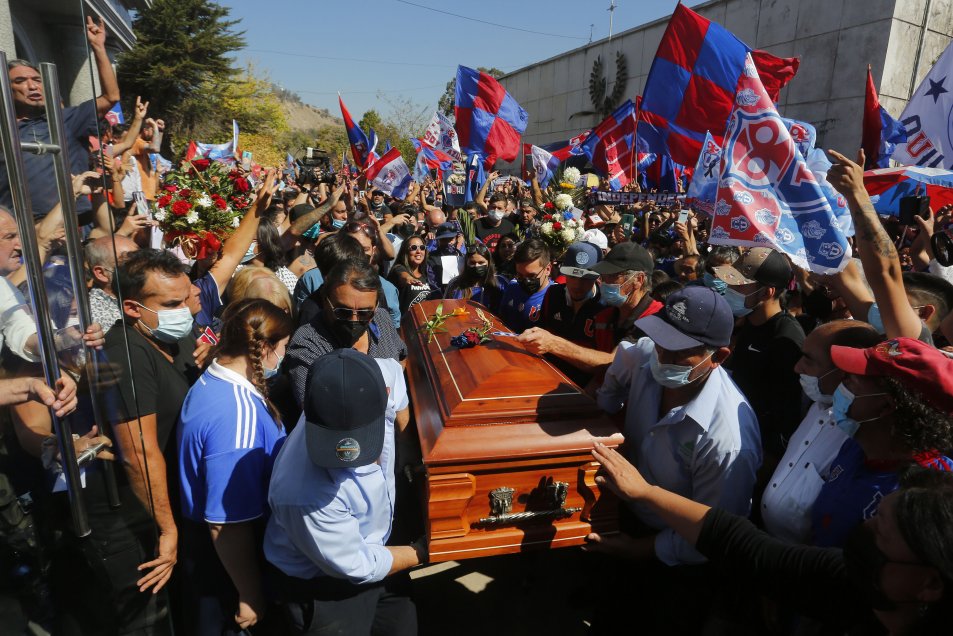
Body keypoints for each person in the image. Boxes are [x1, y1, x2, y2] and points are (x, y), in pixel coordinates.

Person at [591, 443, 953, 635]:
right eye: (874, 517)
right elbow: (750, 549)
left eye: (881, 533)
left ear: (931, 583)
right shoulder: (851, 583)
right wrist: (645, 492)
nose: (865, 529)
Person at [587, 286, 761, 634]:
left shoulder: (727, 439)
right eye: (661, 340)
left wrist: (640, 550)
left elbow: (713, 532)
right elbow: (618, 373)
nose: (663, 355)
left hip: (679, 555)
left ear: (719, 357)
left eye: (680, 351)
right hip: (625, 518)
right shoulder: (645, 355)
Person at [265, 349, 424, 635]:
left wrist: (409, 449)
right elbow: (357, 564)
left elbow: (397, 384)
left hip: (384, 556)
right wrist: (423, 551)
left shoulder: (376, 376)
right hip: (326, 586)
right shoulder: (302, 493)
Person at [177, 299, 294, 634]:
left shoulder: (214, 380)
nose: (285, 356)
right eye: (284, 347)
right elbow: (227, 524)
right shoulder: (236, 416)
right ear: (266, 347)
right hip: (227, 565)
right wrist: (250, 592)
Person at [810, 337, 953, 547]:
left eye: (850, 379)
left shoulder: (933, 490)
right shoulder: (856, 445)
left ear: (885, 406)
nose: (841, 382)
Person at [761, 320, 882, 544]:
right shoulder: (817, 405)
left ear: (845, 373)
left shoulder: (859, 435)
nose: (797, 367)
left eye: (809, 360)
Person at [0, 17, 120, 220]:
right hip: (19, 228)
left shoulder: (67, 120)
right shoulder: (4, 130)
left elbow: (111, 97)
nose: (33, 86)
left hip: (69, 225)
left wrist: (98, 47)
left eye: (37, 80)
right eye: (20, 81)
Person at [716, 247, 805, 462]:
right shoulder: (744, 322)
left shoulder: (787, 340)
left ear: (766, 293)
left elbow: (787, 414)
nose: (729, 288)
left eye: (740, 285)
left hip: (754, 451)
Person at [285, 259, 407, 408]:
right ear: (325, 301)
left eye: (364, 313)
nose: (354, 320)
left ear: (376, 307)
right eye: (342, 311)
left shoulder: (382, 319)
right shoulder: (307, 343)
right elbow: (317, 411)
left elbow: (401, 356)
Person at [523, 242, 605, 386]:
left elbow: (606, 364)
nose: (577, 285)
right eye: (572, 276)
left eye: (586, 278)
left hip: (582, 389)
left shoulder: (606, 307)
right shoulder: (553, 294)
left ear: (598, 277)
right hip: (545, 376)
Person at [85, 235, 140, 328]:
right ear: (101, 273)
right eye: (130, 263)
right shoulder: (96, 319)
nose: (143, 266)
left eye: (142, 258)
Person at [498, 239, 552, 333]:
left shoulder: (555, 297)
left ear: (547, 269)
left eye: (531, 276)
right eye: (520, 275)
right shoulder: (513, 287)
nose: (525, 280)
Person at [443, 242, 506, 310]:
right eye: (472, 262)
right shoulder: (455, 284)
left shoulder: (500, 283)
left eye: (481, 262)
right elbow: (445, 309)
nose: (476, 266)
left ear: (488, 263)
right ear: (466, 263)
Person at [387, 234, 436, 315]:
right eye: (414, 248)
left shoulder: (427, 275)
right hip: (405, 324)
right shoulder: (398, 269)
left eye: (422, 248)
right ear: (405, 251)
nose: (419, 251)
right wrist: (408, 278)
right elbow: (402, 275)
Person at [427, 222, 465, 295]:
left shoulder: (462, 256)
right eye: (444, 240)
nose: (448, 243)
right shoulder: (431, 258)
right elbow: (432, 283)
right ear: (438, 240)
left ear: (456, 239)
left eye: (451, 239)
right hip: (440, 297)